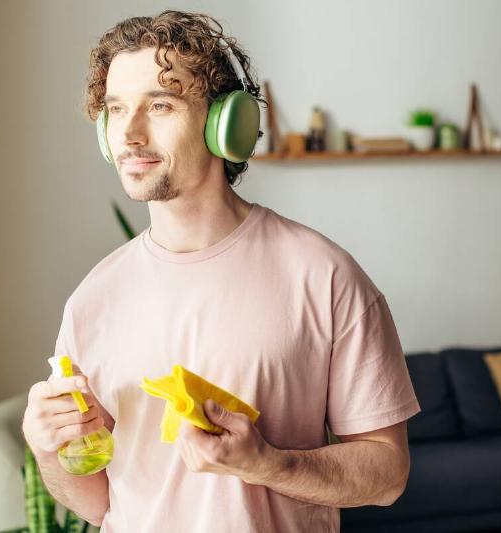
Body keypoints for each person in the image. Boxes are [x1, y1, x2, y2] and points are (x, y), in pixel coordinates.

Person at [21, 10, 419, 532]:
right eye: (116, 110)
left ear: (223, 123)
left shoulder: (323, 276)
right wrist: (50, 450)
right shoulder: (93, 299)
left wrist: (268, 464)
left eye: (160, 105)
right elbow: (97, 503)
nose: (131, 134)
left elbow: (387, 474)